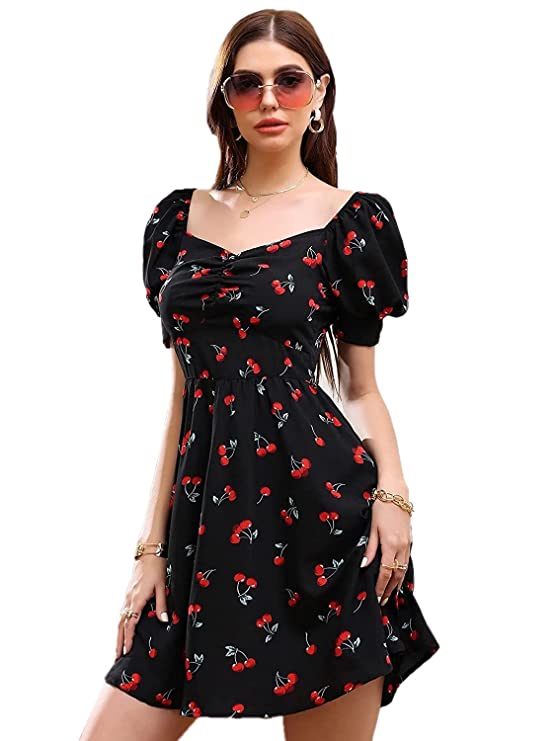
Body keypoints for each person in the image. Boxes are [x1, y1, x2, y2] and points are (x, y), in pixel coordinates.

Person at [80, 9, 440, 741]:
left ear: (319, 93)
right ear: (226, 100)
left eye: (289, 80)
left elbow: (360, 387)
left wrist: (394, 496)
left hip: (323, 520)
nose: (269, 99)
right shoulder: (177, 219)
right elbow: (183, 394)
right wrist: (149, 549)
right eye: (247, 83)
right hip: (201, 526)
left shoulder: (350, 221)